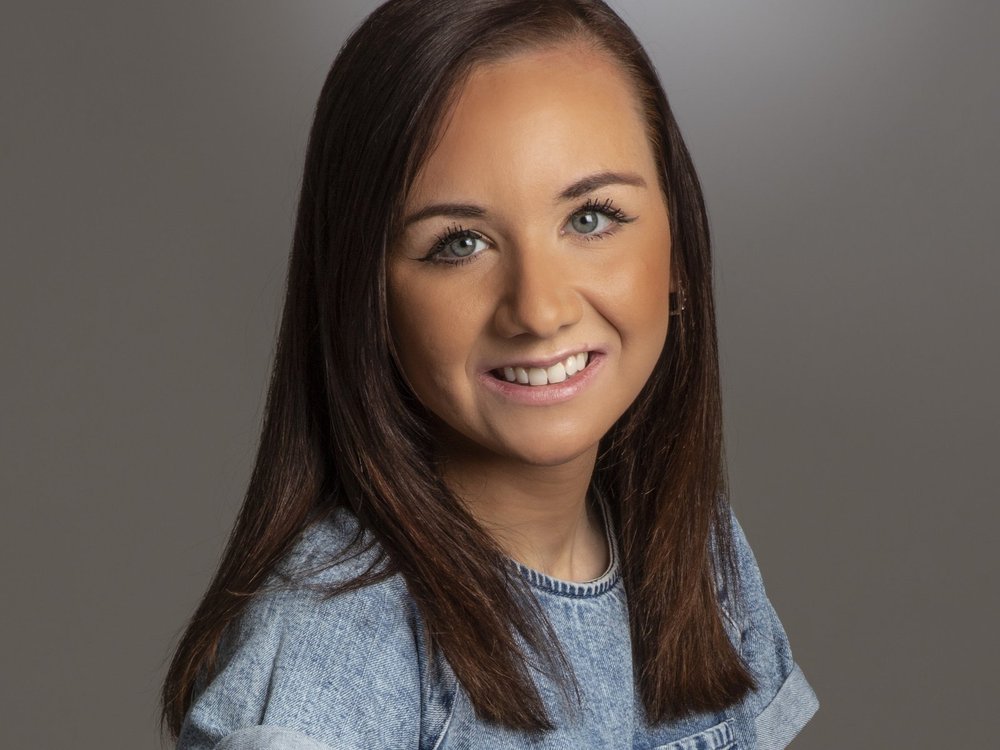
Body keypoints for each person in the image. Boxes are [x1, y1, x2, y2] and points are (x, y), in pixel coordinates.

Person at [161, 1, 819, 748]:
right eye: (461, 242)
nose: (538, 310)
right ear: (365, 298)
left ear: (677, 252)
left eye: (591, 218)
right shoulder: (338, 639)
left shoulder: (701, 555)